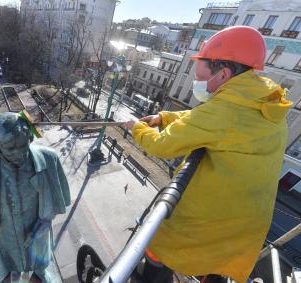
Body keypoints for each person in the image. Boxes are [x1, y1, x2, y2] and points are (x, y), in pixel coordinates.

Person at [124, 26, 292, 283]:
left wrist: (136, 127)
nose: (197, 83)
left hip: (214, 222)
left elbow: (161, 145)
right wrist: (166, 117)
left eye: (200, 76)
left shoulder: (227, 110)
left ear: (224, 73)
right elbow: (205, 119)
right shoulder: (262, 99)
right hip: (246, 227)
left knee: (157, 242)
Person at [0, 112, 70, 283]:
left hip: (36, 228)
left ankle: (40, 272)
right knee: (7, 265)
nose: (19, 153)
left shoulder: (49, 159)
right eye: (10, 148)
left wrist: (47, 220)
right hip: (3, 233)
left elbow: (57, 200)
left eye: (23, 145)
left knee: (39, 259)